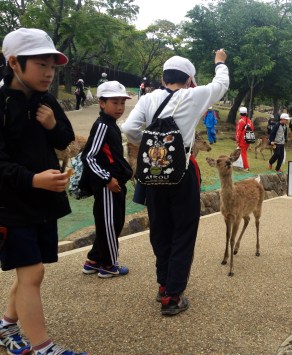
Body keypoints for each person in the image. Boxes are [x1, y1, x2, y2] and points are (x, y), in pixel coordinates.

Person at [122, 50, 229, 315]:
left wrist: (152, 139)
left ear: (163, 77)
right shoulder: (193, 95)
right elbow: (221, 85)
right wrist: (219, 63)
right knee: (184, 231)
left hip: (153, 177)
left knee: (160, 229)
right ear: (190, 80)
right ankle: (173, 296)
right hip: (182, 176)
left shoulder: (148, 98)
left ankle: (163, 285)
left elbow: (130, 129)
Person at [0, 28, 87, 355]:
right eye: (41, 65)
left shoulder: (47, 100)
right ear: (14, 62)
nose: (50, 73)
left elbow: (65, 139)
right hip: (10, 204)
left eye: (53, 66)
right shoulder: (2, 104)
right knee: (32, 270)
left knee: (31, 269)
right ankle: (43, 347)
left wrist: (52, 125)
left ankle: (7, 324)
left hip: (43, 204)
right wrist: (34, 179)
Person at [80, 81, 133, 278]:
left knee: (111, 222)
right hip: (108, 186)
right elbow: (89, 157)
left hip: (115, 183)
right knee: (111, 224)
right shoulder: (102, 125)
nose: (120, 107)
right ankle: (109, 265)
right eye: (115, 103)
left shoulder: (110, 124)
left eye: (122, 103)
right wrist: (107, 178)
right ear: (102, 103)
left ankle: (93, 260)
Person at [235, 106, 254, 172]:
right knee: (244, 153)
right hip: (248, 139)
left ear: (240, 113)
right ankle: (243, 165)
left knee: (243, 154)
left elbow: (238, 132)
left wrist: (237, 140)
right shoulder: (249, 121)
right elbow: (252, 130)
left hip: (242, 140)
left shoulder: (241, 121)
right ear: (246, 113)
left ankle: (246, 167)